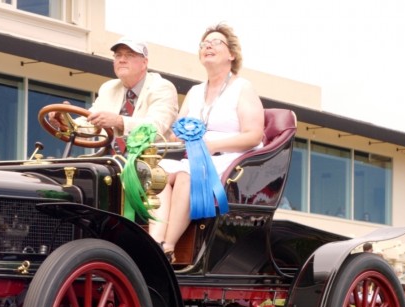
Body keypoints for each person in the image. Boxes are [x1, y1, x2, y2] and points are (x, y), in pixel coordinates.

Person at [152, 24, 265, 262]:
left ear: (231, 54)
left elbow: (254, 135)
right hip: (192, 156)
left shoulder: (242, 87)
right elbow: (176, 133)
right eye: (204, 44)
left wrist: (212, 146)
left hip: (228, 157)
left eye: (215, 42)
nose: (208, 46)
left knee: (186, 175)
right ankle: (154, 241)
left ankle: (168, 248)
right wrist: (178, 138)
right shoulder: (194, 92)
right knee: (156, 173)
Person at [49, 37, 178, 155]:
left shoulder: (162, 87)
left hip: (149, 166)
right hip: (109, 163)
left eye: (129, 55)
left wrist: (118, 121)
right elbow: (90, 123)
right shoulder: (108, 88)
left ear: (144, 63)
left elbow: (155, 128)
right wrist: (65, 121)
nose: (122, 60)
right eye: (118, 55)